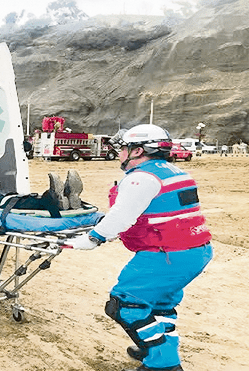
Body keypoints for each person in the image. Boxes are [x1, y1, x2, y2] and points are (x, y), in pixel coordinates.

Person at [66, 124, 213, 371]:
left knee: (125, 304)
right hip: (195, 250)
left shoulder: (141, 178)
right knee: (160, 305)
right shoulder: (173, 171)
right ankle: (158, 347)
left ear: (138, 150)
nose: (120, 153)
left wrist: (92, 239)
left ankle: (163, 363)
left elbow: (122, 217)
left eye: (124, 148)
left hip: (168, 254)